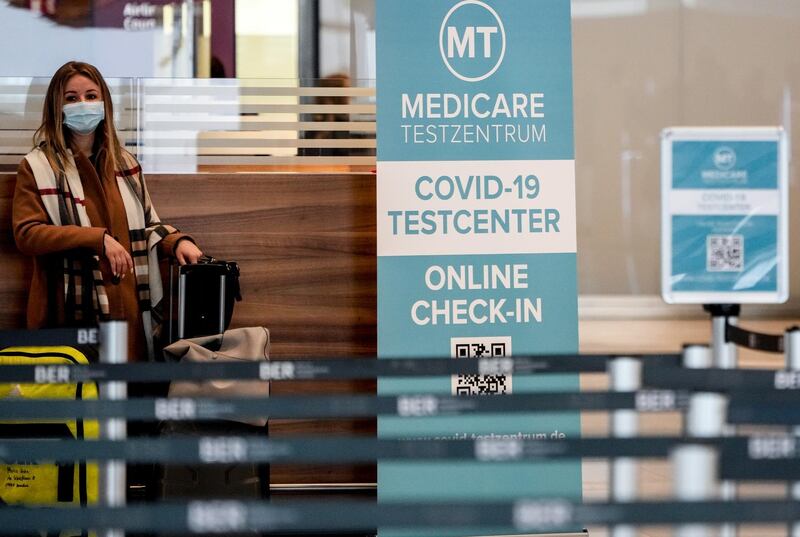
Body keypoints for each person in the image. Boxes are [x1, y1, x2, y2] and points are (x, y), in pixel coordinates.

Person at [12, 60, 204, 363]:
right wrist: (96, 239)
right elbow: (27, 234)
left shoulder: (125, 164)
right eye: (72, 98)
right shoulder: (38, 165)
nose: (83, 105)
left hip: (128, 304)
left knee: (129, 396)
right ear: (56, 107)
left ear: (105, 103)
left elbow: (147, 224)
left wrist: (177, 242)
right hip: (71, 308)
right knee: (86, 401)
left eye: (91, 96)